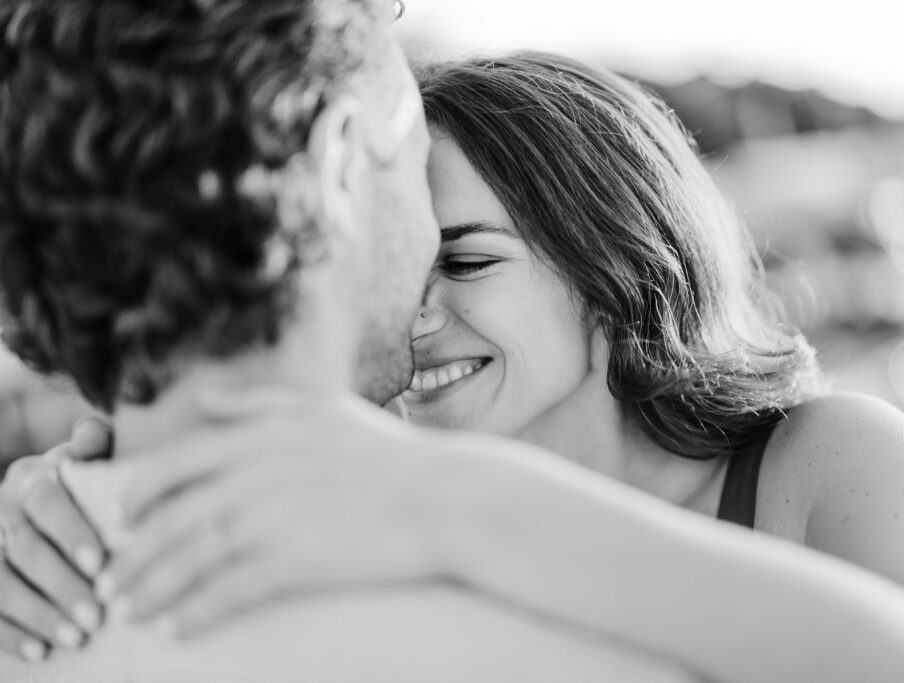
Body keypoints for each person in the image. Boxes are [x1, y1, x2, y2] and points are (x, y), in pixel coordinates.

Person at [0, 8, 904, 683]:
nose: (409, 306)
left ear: (609, 259)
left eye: (470, 259)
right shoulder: (344, 505)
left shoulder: (824, 460)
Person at [0, 1, 703, 680]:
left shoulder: (33, 585)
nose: (427, 242)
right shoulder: (586, 644)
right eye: (409, 158)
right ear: (339, 161)